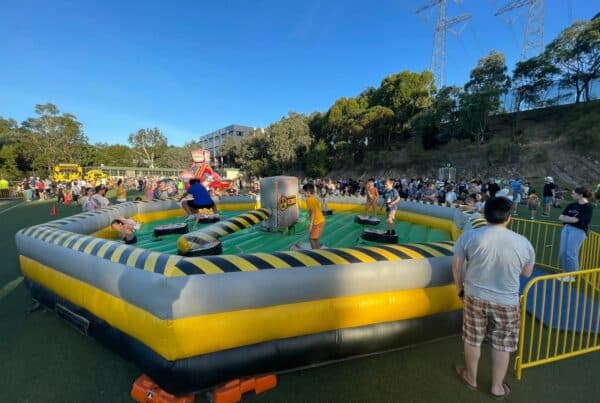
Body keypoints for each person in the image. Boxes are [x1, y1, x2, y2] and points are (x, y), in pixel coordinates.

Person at [452, 197, 535, 399]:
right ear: (508, 218)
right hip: (507, 301)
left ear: (484, 214)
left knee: (472, 338)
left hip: (475, 296)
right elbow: (527, 273)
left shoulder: (469, 236)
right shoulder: (523, 242)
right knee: (503, 343)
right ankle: (497, 387)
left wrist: (460, 289)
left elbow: (456, 266)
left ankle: (470, 377)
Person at [558, 187, 594, 282]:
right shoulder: (572, 205)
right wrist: (571, 219)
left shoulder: (588, 206)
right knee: (563, 252)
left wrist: (568, 218)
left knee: (571, 253)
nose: (571, 194)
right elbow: (560, 217)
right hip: (567, 228)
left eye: (573, 193)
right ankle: (565, 273)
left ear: (580, 194)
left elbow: (577, 220)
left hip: (579, 231)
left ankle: (572, 276)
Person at [303, 183, 325, 249]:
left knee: (311, 239)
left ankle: (315, 253)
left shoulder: (309, 200)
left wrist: (311, 224)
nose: (303, 193)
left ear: (308, 192)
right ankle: (318, 252)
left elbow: (313, 212)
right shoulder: (313, 198)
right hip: (321, 221)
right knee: (315, 238)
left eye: (303, 192)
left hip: (317, 222)